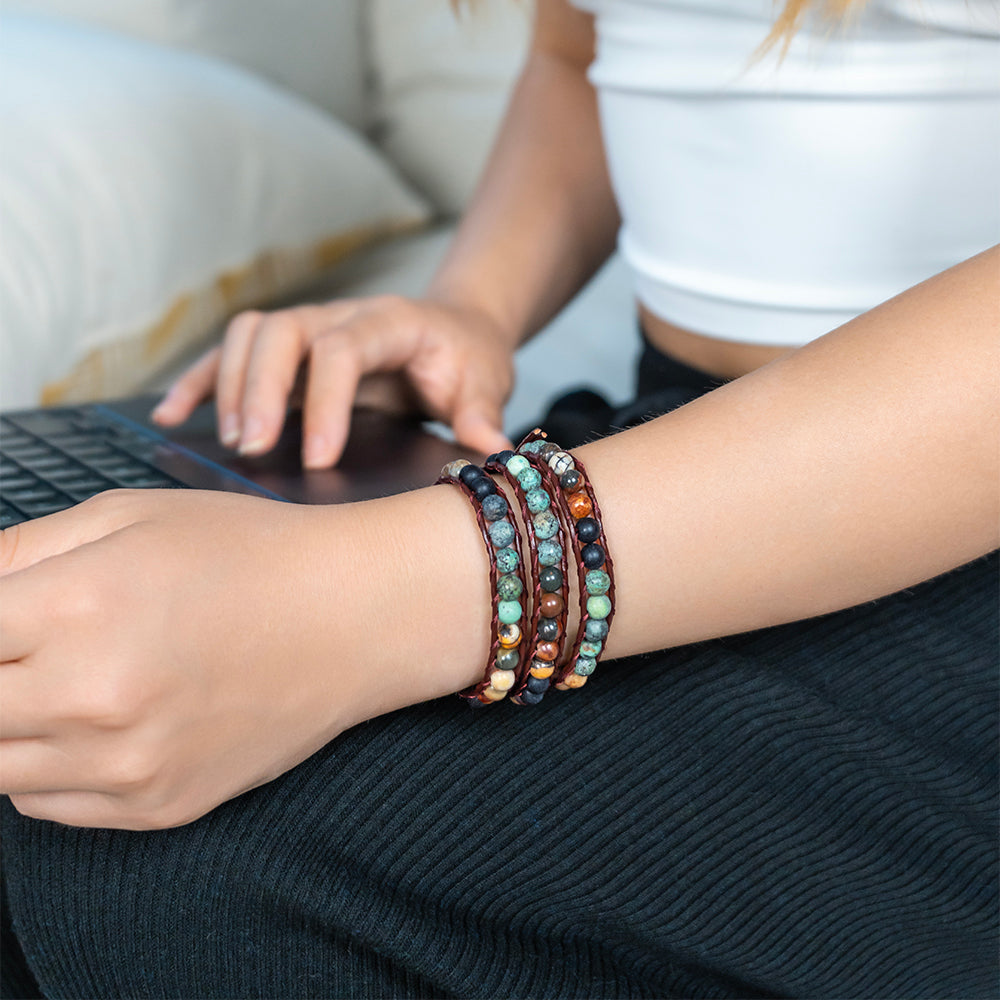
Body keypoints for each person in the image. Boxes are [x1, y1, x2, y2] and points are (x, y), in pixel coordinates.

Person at [1, 0, 997, 996]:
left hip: (951, 543)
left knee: (168, 860)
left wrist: (379, 592)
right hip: (661, 440)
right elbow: (579, 49)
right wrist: (471, 304)